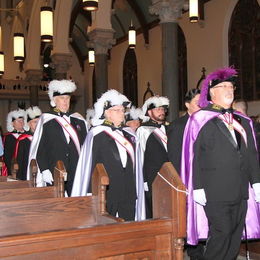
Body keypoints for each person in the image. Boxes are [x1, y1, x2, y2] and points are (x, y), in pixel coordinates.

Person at [181, 67, 260, 260]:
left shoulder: (243, 121)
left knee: (234, 237)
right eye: (223, 86)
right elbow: (194, 156)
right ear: (211, 92)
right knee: (221, 234)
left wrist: (257, 182)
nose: (229, 89)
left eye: (231, 86)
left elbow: (251, 154)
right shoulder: (200, 119)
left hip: (241, 190)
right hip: (214, 190)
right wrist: (197, 186)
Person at [71, 89, 145, 221]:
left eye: (123, 110)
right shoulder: (97, 134)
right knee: (107, 225)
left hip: (128, 187)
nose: (122, 113)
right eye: (118, 110)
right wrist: (90, 190)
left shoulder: (129, 134)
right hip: (107, 189)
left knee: (129, 225)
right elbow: (90, 164)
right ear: (107, 113)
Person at [27, 80, 88, 196]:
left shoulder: (78, 120)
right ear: (54, 101)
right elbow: (41, 148)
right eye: (61, 98)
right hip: (54, 170)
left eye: (67, 98)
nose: (65, 101)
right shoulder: (47, 120)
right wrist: (44, 170)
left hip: (76, 171)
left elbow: (85, 147)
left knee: (76, 206)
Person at [136, 95, 170, 218]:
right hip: (152, 176)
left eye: (162, 109)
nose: (161, 112)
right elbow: (141, 154)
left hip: (169, 174)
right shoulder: (143, 130)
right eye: (157, 109)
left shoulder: (169, 127)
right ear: (149, 112)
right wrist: (143, 179)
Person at [168, 88, 200, 174]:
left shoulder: (207, 123)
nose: (201, 106)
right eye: (197, 103)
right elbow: (174, 156)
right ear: (187, 105)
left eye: (202, 103)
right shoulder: (178, 125)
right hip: (186, 173)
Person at [14, 106, 42, 180]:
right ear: (29, 124)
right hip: (27, 173)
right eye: (35, 122)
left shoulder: (44, 137)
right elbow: (20, 160)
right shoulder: (23, 139)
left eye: (39, 121)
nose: (37, 124)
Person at [2, 109, 26, 176]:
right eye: (18, 121)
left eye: (22, 120)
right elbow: (6, 156)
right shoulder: (8, 137)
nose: (21, 122)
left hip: (26, 165)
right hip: (13, 167)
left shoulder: (28, 136)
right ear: (12, 123)